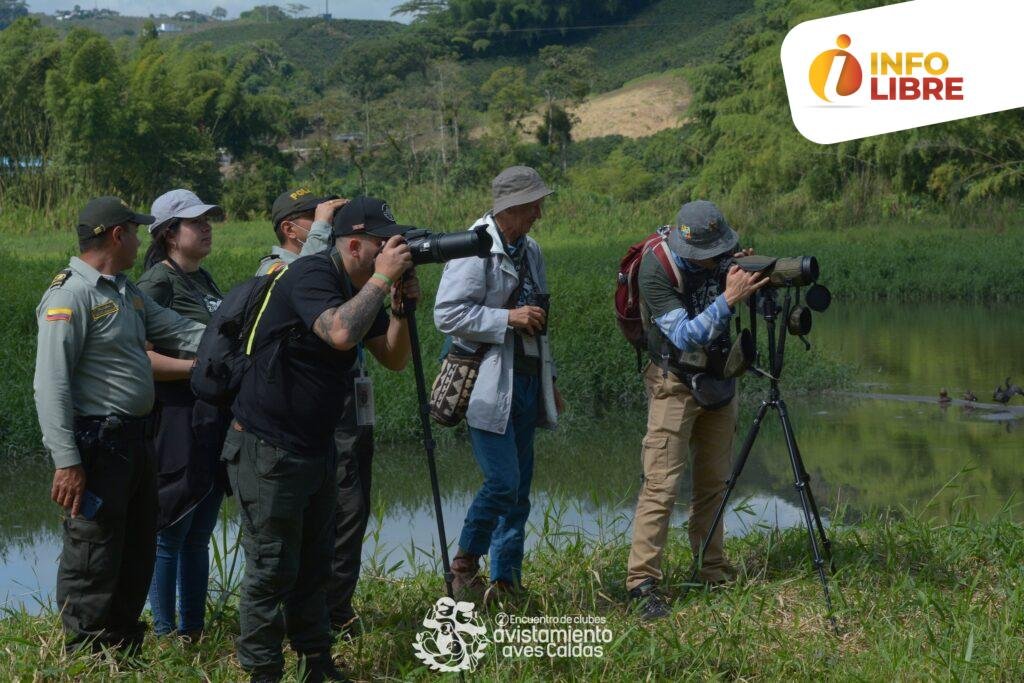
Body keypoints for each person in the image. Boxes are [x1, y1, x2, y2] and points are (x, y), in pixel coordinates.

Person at [222, 196, 420, 683]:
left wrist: (399, 309)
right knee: (271, 569)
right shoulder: (311, 274)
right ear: (354, 245)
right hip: (268, 446)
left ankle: (318, 665)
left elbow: (392, 359)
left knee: (315, 567)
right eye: (383, 243)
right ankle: (263, 672)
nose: (394, 249)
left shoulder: (360, 285)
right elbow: (338, 332)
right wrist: (381, 280)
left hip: (315, 446)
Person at [33, 196, 207, 654]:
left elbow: (179, 330)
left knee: (135, 551)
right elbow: (50, 386)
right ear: (117, 235)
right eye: (135, 230)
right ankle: (87, 654)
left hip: (136, 443)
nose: (140, 239)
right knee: (94, 554)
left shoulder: (125, 291)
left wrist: (241, 336)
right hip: (97, 447)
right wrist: (67, 461)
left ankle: (122, 650)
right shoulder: (71, 294)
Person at [625, 200, 766, 620]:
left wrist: (747, 277)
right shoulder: (657, 268)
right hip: (674, 382)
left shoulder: (722, 256)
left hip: (721, 376)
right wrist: (729, 297)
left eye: (719, 251)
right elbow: (685, 335)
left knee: (713, 482)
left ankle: (712, 568)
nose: (714, 260)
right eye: (706, 256)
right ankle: (642, 582)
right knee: (661, 484)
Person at [434, 166, 564, 606]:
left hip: (527, 380)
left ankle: (507, 579)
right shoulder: (475, 248)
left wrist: (552, 379)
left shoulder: (531, 251)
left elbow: (541, 322)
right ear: (508, 208)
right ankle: (465, 563)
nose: (538, 213)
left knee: (520, 490)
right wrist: (507, 318)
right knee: (503, 481)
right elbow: (447, 315)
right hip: (488, 382)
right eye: (531, 206)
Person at [253, 189, 369, 634]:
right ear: (291, 227)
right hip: (299, 416)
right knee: (317, 515)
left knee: (350, 508)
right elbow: (302, 289)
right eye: (315, 217)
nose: (328, 222)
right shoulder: (277, 268)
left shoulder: (334, 268)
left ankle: (334, 608)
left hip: (344, 401)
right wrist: (324, 227)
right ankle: (310, 615)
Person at [136, 189, 228, 642]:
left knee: (199, 531)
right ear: (170, 233)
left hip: (209, 417)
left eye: (209, 219)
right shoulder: (157, 282)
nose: (207, 227)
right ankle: (164, 631)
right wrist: (197, 369)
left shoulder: (204, 278)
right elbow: (140, 357)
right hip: (174, 416)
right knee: (170, 529)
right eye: (197, 222)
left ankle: (194, 629)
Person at [255, 188, 347, 276]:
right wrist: (321, 226)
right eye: (314, 214)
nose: (323, 219)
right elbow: (299, 279)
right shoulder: (270, 269)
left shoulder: (327, 258)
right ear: (289, 229)